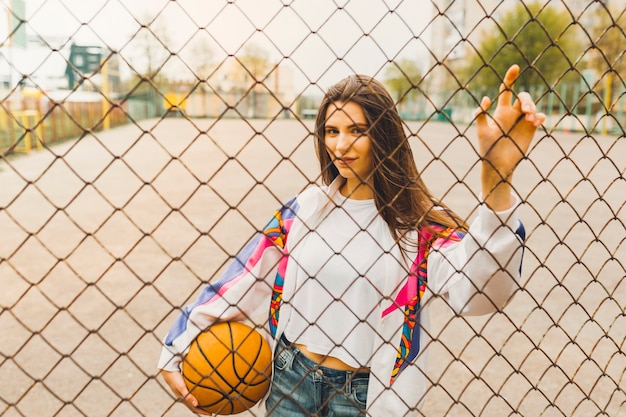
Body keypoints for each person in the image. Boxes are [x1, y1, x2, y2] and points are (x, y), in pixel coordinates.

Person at [158, 64, 546, 417]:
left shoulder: (420, 232)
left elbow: (484, 291)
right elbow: (242, 278)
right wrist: (177, 348)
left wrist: (496, 178)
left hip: (366, 398)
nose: (340, 145)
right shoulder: (302, 212)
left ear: (383, 134)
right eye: (331, 130)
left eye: (357, 130)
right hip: (289, 381)